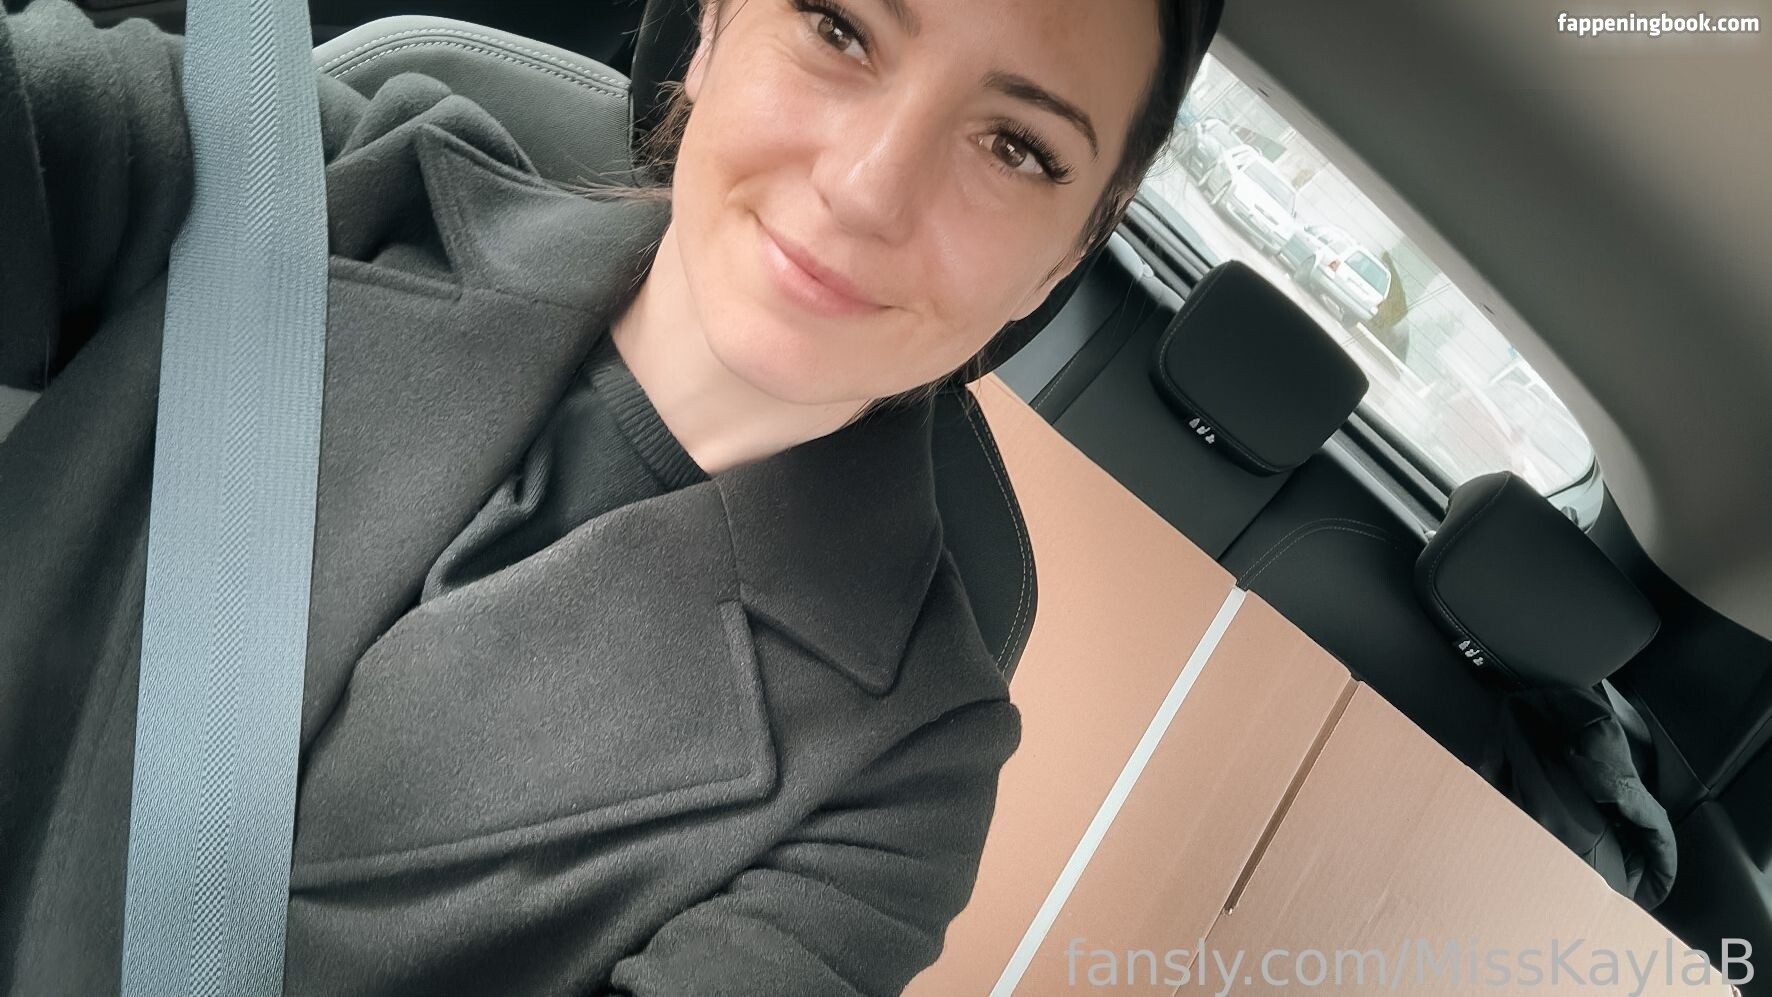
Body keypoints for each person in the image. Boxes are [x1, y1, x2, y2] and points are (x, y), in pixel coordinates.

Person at [0, 0, 1223, 993]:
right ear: (712, 27)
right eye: (837, 28)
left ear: (1063, 256)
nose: (866, 188)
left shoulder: (903, 777)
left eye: (1015, 147)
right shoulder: (295, 171)